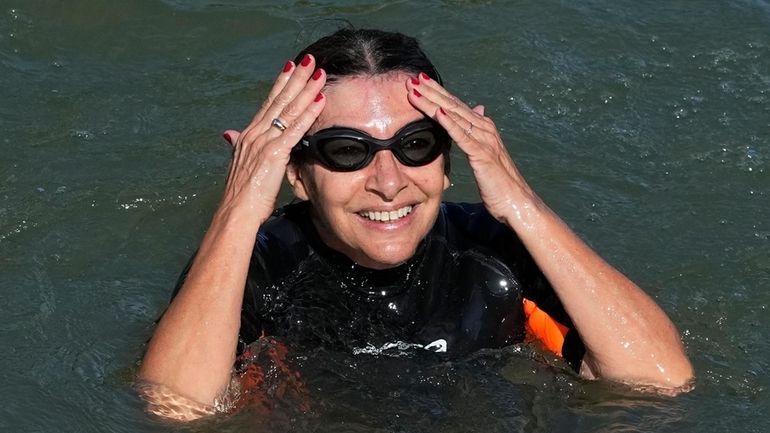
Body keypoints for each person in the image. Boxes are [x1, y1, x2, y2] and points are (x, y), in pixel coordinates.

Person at [137, 28, 693, 420]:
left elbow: (661, 382)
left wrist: (520, 203)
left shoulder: (494, 251)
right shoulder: (257, 261)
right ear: (298, 176)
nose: (389, 179)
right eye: (347, 150)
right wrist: (237, 212)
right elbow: (176, 408)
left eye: (415, 144)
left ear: (449, 164)